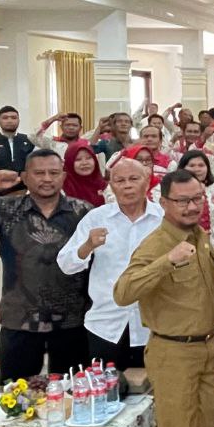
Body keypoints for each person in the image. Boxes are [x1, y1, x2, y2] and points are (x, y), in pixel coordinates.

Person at [114, 169, 214, 427]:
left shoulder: (201, 236)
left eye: (197, 199)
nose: (192, 206)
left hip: (207, 344)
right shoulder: (157, 245)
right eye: (183, 201)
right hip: (173, 349)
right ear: (163, 203)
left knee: (202, 422)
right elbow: (123, 292)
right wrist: (167, 262)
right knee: (177, 426)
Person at [0, 149, 92, 383]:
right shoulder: (6, 208)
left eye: (53, 173)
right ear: (25, 177)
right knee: (15, 394)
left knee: (73, 392)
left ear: (64, 177)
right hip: (20, 317)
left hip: (72, 318)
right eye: (39, 173)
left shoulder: (83, 212)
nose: (47, 179)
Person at [57, 158, 162, 379]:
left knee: (155, 395)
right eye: (119, 180)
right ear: (111, 186)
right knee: (105, 395)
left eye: (134, 179)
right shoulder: (96, 218)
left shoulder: (163, 220)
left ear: (147, 181)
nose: (127, 185)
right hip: (106, 325)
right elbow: (66, 264)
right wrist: (88, 246)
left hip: (153, 325)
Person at [153, 151, 214, 250]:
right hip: (181, 245)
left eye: (201, 165)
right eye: (192, 165)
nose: (197, 169)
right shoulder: (171, 188)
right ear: (182, 168)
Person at [0, 105, 36, 177]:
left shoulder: (30, 141)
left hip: (25, 187)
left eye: (14, 118)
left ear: (19, 120)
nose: (9, 121)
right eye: (5, 118)